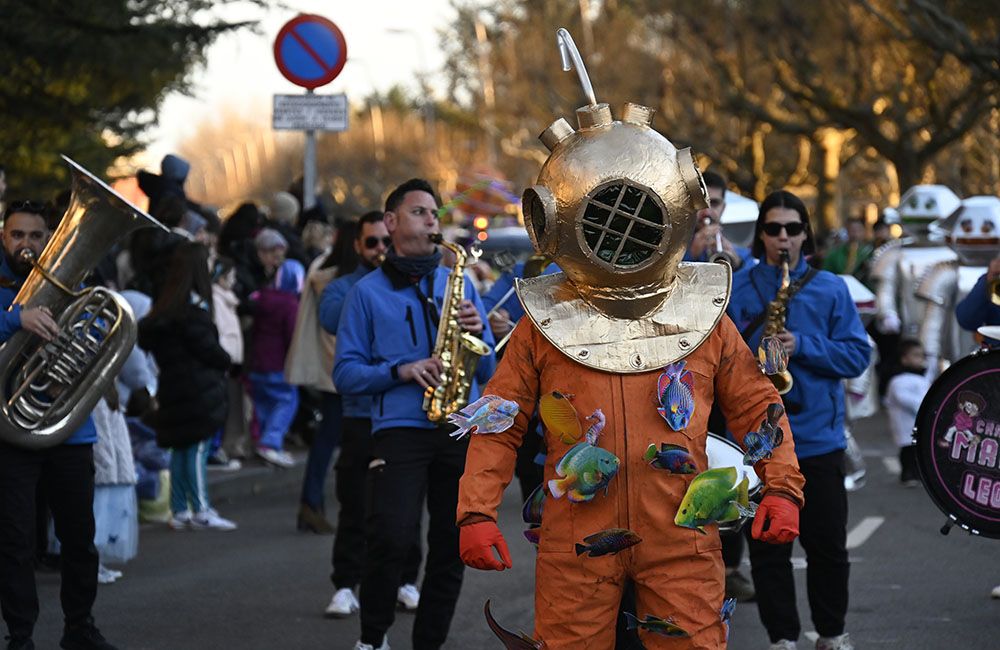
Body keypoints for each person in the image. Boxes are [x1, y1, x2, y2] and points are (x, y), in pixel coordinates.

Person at [457, 102, 804, 650]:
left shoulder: (704, 317)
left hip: (681, 529)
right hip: (576, 532)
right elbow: (501, 420)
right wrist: (474, 511)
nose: (619, 230)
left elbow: (757, 404)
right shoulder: (542, 325)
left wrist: (783, 486)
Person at [333, 179, 496, 650]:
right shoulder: (365, 293)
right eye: (421, 212)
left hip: (456, 427)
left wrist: (477, 327)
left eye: (434, 214)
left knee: (450, 548)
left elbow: (486, 366)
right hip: (399, 429)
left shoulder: (457, 283)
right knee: (391, 536)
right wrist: (399, 370)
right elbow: (345, 373)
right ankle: (373, 637)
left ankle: (429, 643)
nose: (432, 222)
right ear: (391, 222)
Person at [728, 190, 871, 650]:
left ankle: (831, 634)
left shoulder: (832, 288)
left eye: (792, 229)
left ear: (806, 234)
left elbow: (857, 356)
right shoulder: (740, 287)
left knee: (828, 549)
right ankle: (782, 639)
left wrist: (803, 345)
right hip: (759, 446)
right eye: (773, 229)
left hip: (817, 440)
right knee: (768, 552)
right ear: (761, 235)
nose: (783, 238)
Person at [0, 200, 118, 650]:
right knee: (13, 541)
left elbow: (100, 334)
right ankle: (21, 635)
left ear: (50, 239)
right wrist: (16, 319)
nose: (26, 244)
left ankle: (79, 627)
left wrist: (78, 352)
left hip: (69, 429)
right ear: (3, 236)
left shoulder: (78, 281)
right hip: (10, 431)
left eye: (35, 236)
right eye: (17, 235)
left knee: (79, 539)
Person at [319, 211, 424, 618]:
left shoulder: (417, 284)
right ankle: (346, 584)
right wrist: (378, 292)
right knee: (354, 503)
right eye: (372, 243)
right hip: (361, 414)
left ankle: (406, 580)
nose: (381, 249)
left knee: (406, 505)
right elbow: (330, 318)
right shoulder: (347, 288)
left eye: (386, 241)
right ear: (358, 248)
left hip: (402, 416)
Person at [137, 242, 236, 532]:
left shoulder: (165, 309)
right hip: (199, 391)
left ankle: (180, 509)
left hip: (174, 387)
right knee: (197, 449)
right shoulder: (194, 311)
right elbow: (210, 351)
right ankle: (201, 508)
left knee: (181, 448)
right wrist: (226, 359)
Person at [289, 222, 357, 533]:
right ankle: (312, 502)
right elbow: (336, 333)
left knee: (328, 440)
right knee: (332, 441)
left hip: (334, 371)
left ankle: (312, 502)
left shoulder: (324, 268)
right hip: (342, 373)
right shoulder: (339, 279)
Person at [249, 258, 304, 468]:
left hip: (257, 361)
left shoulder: (262, 297)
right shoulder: (290, 303)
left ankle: (263, 442)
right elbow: (292, 335)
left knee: (263, 404)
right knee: (286, 401)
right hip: (279, 363)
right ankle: (270, 443)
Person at [683, 170, 754, 270]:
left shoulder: (742, 255)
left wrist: (738, 265)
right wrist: (690, 255)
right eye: (702, 203)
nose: (707, 212)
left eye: (714, 203)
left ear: (723, 208)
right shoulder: (671, 252)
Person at [884, 339, 929, 487]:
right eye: (916, 355)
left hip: (918, 419)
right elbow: (902, 398)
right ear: (904, 359)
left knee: (918, 449)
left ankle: (917, 473)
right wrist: (921, 406)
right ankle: (908, 473)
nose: (920, 359)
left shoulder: (922, 378)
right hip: (905, 420)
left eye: (921, 355)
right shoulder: (898, 380)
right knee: (908, 450)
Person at [822, 217, 874, 285]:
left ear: (864, 232)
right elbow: (826, 276)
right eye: (852, 230)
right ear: (846, 231)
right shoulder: (834, 254)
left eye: (859, 230)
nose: (856, 234)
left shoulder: (871, 252)